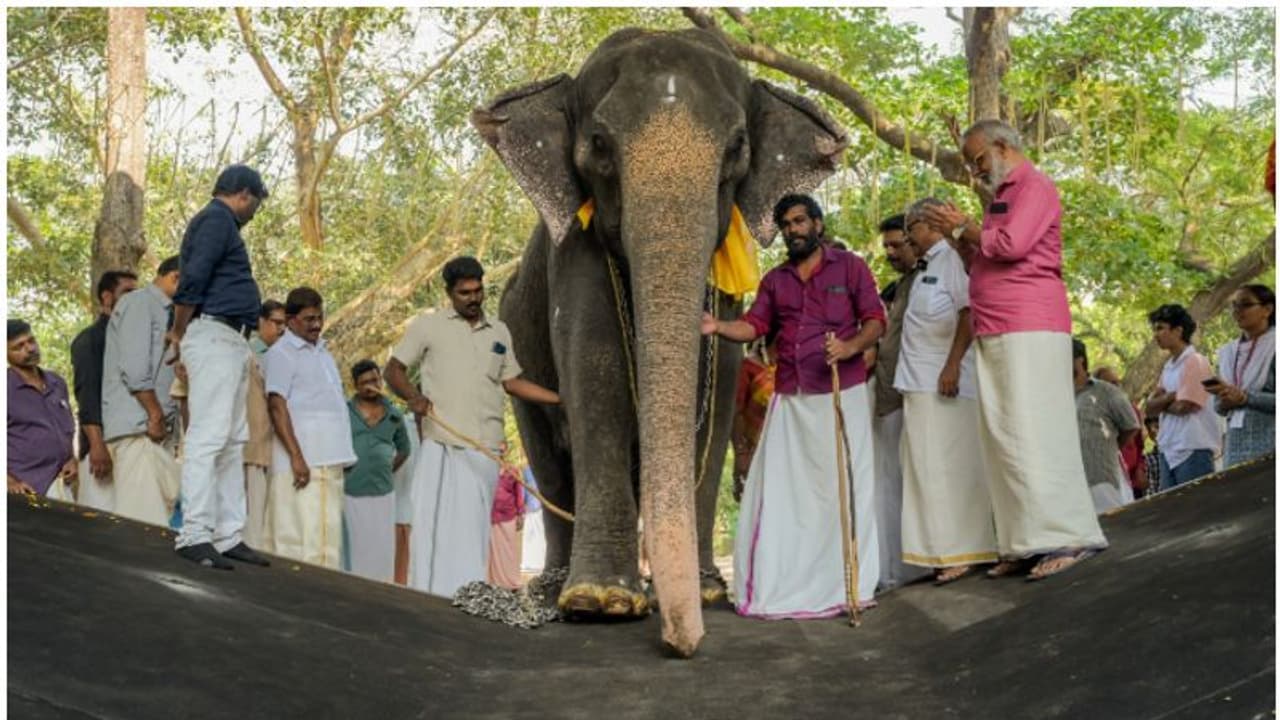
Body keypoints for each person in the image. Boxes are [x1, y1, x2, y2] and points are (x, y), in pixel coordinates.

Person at [921, 120, 1106, 581]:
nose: (975, 169)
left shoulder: (1034, 186)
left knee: (1036, 429)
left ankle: (1067, 533)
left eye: (978, 158)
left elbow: (1012, 246)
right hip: (996, 324)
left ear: (1003, 146)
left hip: (1030, 321)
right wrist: (958, 238)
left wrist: (964, 226)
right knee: (1004, 435)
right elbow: (984, 257)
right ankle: (1025, 541)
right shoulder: (1001, 196)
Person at [703, 193, 885, 617]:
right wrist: (717, 326)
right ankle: (784, 584)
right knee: (781, 491)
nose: (793, 230)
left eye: (800, 221)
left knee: (844, 487)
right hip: (792, 396)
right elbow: (755, 325)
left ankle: (847, 586)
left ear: (818, 225)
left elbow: (876, 320)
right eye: (786, 224)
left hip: (843, 394)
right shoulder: (775, 280)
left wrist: (848, 346)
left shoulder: (851, 268)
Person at [385, 256, 560, 598]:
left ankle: (468, 594)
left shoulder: (499, 331)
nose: (473, 298)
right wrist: (413, 397)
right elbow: (393, 371)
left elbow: (513, 382)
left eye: (478, 290)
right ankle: (431, 595)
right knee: (437, 528)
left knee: (473, 529)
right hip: (443, 445)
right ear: (449, 293)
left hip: (486, 449)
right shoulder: (429, 326)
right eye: (464, 292)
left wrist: (560, 400)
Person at [169, 164, 271, 570]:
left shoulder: (222, 223)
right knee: (209, 436)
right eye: (256, 204)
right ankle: (194, 533)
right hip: (211, 332)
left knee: (232, 439)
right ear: (244, 194)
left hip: (230, 338)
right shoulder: (215, 219)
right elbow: (193, 278)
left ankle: (228, 534)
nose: (254, 213)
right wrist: (178, 332)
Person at [895, 199, 998, 584]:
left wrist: (952, 364)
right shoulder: (925, 266)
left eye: (912, 225)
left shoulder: (952, 259)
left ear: (929, 224)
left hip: (944, 381)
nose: (908, 235)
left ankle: (966, 548)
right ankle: (940, 549)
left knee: (952, 467)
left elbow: (968, 312)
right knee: (926, 468)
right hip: (918, 381)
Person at [264, 287, 357, 569]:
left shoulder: (324, 353)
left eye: (319, 317)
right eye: (309, 319)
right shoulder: (282, 353)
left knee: (324, 541)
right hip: (303, 463)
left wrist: (345, 453)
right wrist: (297, 457)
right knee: (297, 538)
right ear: (291, 320)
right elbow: (276, 405)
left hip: (329, 460)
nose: (316, 324)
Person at [868, 213, 929, 592]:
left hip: (915, 397)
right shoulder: (902, 286)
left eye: (897, 244)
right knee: (888, 484)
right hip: (888, 397)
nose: (890, 252)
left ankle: (920, 562)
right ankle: (895, 565)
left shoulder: (927, 279)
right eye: (886, 246)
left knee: (913, 481)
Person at [101, 256, 182, 525]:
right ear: (177, 277)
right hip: (139, 428)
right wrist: (155, 415)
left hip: (156, 433)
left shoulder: (172, 313)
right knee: (142, 523)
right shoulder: (138, 303)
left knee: (159, 517)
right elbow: (135, 369)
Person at [70, 270, 138, 510]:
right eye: (128, 292)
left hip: (129, 445)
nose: (134, 299)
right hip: (102, 450)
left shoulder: (129, 337)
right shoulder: (89, 340)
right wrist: (97, 446)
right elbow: (87, 396)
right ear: (107, 298)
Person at [341, 359, 409, 582]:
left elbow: (404, 449)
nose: (371, 385)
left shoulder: (394, 413)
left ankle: (381, 586)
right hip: (351, 489)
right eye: (365, 382)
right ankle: (355, 584)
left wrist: (388, 470)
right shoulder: (344, 411)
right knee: (357, 544)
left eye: (375, 379)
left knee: (381, 545)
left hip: (383, 491)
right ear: (356, 385)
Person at [1142, 304, 1220, 489]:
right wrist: (1172, 396)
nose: (1156, 334)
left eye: (1161, 328)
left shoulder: (1195, 361)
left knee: (1196, 510)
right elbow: (1149, 409)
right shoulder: (1168, 367)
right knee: (1174, 512)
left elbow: (1185, 406)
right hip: (1169, 448)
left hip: (1192, 448)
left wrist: (1163, 402)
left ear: (1178, 330)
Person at [1207, 285, 1275, 467]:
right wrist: (1225, 399)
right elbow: (1218, 408)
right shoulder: (1227, 352)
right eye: (1234, 305)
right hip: (1234, 447)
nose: (1237, 311)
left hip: (1270, 448)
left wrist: (1245, 398)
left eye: (1245, 305)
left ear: (1267, 310)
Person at [7, 320, 76, 496]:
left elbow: (66, 430)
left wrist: (72, 459)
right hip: (26, 490)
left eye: (31, 341)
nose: (30, 349)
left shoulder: (56, 383)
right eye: (18, 347)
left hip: (63, 484)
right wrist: (9, 481)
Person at [1073, 339, 1141, 513]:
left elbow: (1131, 425)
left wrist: (1109, 447)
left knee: (1113, 530)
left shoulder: (1106, 391)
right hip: (1072, 482)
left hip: (1101, 476)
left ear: (1080, 360)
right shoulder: (1059, 395)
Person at [730, 337, 776, 502]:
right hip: (753, 452)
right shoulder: (749, 367)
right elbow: (737, 412)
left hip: (785, 451)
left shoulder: (794, 368)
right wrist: (741, 454)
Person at [1092, 366, 1148, 499]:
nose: (1116, 387)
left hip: (1134, 479)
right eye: (1111, 384)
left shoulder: (1131, 409)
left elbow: (1139, 445)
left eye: (1117, 383)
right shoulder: (1094, 413)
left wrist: (1140, 468)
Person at [488, 461, 526, 590]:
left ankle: (511, 579)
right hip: (492, 515)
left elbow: (519, 492)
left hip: (509, 515)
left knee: (509, 550)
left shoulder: (512, 470)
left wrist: (521, 513)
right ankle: (494, 580)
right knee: (494, 550)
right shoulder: (488, 466)